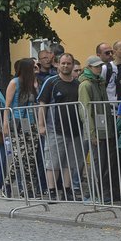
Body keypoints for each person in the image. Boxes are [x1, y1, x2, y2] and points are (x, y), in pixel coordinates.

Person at [37, 53, 85, 202]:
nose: (65, 66)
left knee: (70, 162)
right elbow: (42, 104)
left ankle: (67, 189)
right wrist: (41, 125)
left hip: (75, 129)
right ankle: (51, 190)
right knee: (53, 161)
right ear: (58, 64)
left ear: (72, 65)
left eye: (68, 63)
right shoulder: (51, 82)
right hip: (55, 128)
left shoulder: (78, 84)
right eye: (63, 63)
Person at [78, 54, 117, 204]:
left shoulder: (100, 82)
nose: (99, 68)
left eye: (100, 66)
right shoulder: (86, 84)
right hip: (96, 130)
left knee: (106, 164)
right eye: (96, 66)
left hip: (106, 128)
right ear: (89, 67)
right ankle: (94, 194)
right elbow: (85, 110)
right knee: (97, 164)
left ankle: (105, 193)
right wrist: (91, 133)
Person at [2, 58, 43, 198]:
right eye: (34, 67)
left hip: (31, 124)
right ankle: (7, 184)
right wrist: (5, 124)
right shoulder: (14, 83)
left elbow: (37, 100)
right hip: (17, 123)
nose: (36, 68)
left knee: (30, 158)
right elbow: (7, 105)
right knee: (19, 156)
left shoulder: (33, 83)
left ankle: (29, 188)